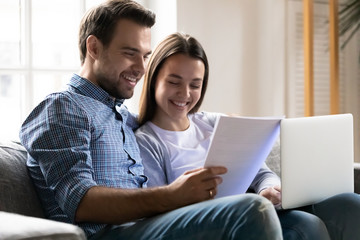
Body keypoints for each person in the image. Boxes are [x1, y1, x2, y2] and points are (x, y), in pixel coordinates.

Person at [19, 1, 283, 239]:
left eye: (145, 56)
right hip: (108, 235)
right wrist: (173, 195)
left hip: (145, 227)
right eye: (129, 53)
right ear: (94, 47)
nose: (142, 68)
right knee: (250, 209)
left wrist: (231, 127)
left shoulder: (120, 115)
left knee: (301, 220)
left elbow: (175, 119)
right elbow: (80, 202)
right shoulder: (62, 108)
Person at [135, 32, 360, 240]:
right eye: (174, 82)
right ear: (154, 79)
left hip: (257, 213)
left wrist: (267, 189)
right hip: (220, 225)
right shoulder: (147, 141)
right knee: (305, 225)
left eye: (195, 85)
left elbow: (263, 174)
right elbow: (160, 213)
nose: (185, 94)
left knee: (350, 204)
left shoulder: (213, 123)